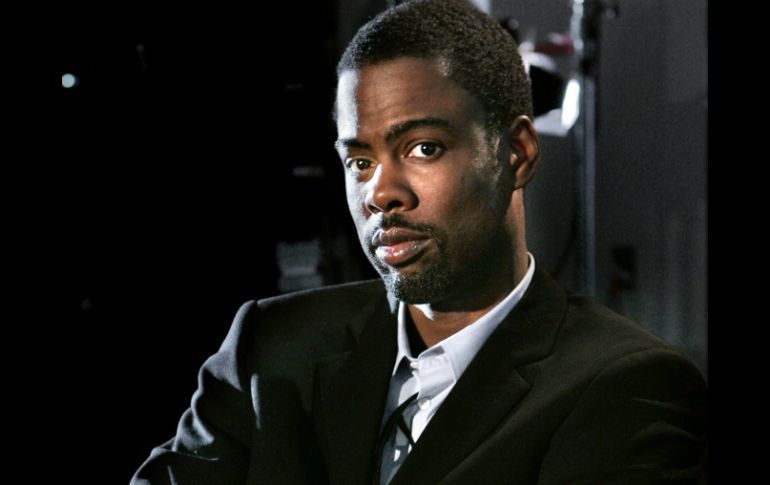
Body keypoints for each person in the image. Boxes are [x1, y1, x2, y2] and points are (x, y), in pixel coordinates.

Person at [131, 1, 707, 483]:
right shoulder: (271, 350)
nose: (380, 193)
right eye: (360, 161)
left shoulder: (625, 387)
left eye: (423, 148)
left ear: (517, 154)